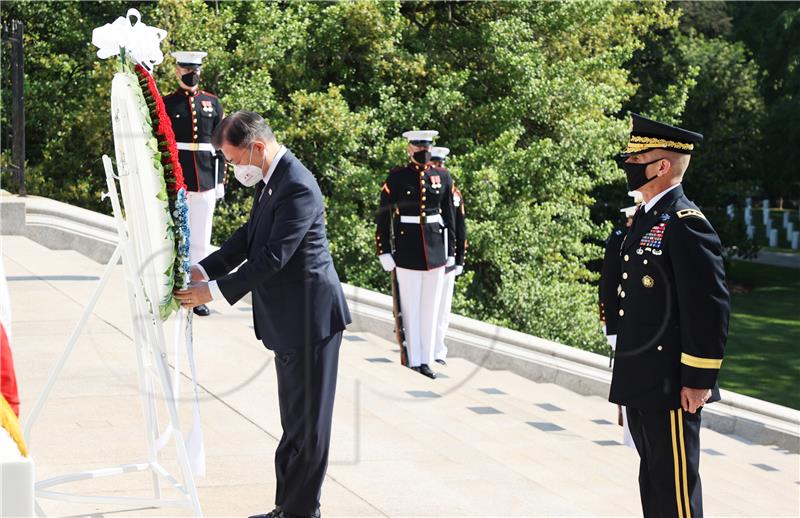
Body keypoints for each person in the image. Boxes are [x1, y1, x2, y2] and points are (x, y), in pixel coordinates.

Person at [174, 111, 351, 518]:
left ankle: (303, 512)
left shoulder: (297, 185)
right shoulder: (273, 181)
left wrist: (213, 291)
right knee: (293, 422)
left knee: (309, 427)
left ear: (256, 147)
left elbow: (273, 257)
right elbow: (247, 239)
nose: (235, 169)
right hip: (289, 322)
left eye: (235, 161)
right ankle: (285, 508)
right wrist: (204, 268)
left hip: (311, 319)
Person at [609, 113, 730, 518]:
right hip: (644, 376)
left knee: (675, 489)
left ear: (661, 166)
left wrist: (698, 381)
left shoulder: (685, 223)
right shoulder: (648, 217)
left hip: (672, 383)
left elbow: (709, 308)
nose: (628, 163)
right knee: (654, 482)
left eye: (637, 156)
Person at [375, 131, 456, 379]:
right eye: (419, 145)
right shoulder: (398, 176)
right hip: (407, 248)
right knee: (410, 306)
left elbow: (450, 217)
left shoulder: (441, 176)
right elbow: (383, 215)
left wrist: (451, 252)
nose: (424, 150)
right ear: (409, 148)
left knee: (430, 308)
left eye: (427, 146)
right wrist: (384, 249)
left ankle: (427, 358)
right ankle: (413, 358)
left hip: (434, 250)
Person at [163, 51, 227, 316]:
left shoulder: (212, 103)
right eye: (187, 69)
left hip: (205, 179)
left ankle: (196, 292)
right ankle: (171, 287)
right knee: (175, 236)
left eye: (196, 69)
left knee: (201, 239)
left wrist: (220, 180)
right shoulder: (168, 103)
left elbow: (222, 144)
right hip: (179, 178)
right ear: (177, 70)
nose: (192, 73)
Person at [599, 200, 639, 448]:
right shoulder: (620, 237)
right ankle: (629, 432)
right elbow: (608, 285)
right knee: (627, 379)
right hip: (624, 320)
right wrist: (610, 326)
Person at [429, 146, 467, 366]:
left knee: (443, 306)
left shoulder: (453, 193)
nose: (438, 168)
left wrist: (459, 258)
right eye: (435, 163)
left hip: (447, 255)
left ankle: (438, 349)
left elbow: (460, 227)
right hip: (429, 254)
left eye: (441, 164)